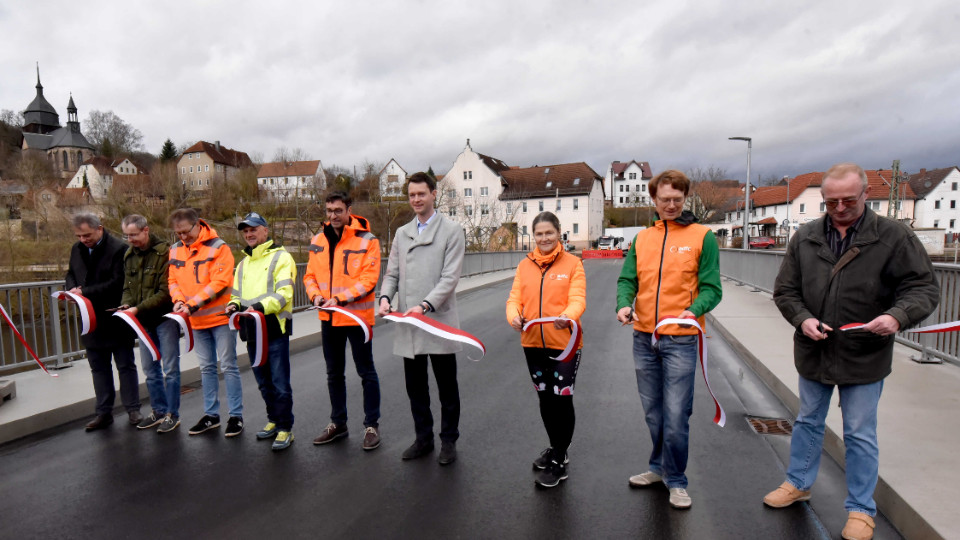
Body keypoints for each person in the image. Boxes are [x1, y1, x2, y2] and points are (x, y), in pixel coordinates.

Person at [763, 163, 939, 540]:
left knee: (859, 432)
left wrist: (897, 316)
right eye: (831, 201)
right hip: (814, 350)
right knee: (808, 421)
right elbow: (786, 291)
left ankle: (860, 509)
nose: (839, 208)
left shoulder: (893, 237)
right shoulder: (807, 236)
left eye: (847, 200)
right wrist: (802, 319)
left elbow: (923, 288)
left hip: (865, 353)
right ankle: (798, 482)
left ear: (865, 195)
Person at [616, 169, 722, 509]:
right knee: (654, 413)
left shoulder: (702, 236)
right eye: (665, 200)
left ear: (685, 198)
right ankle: (659, 468)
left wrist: (695, 310)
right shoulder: (642, 239)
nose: (671, 205)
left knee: (677, 414)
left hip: (681, 338)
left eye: (677, 199)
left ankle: (677, 480)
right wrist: (623, 305)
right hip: (644, 337)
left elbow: (712, 288)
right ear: (654, 200)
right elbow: (626, 280)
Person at [379, 171, 465, 465]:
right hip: (409, 322)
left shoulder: (452, 231)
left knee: (446, 387)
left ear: (433, 194)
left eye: (421, 194)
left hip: (436, 319)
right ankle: (423, 438)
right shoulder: (402, 233)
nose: (416, 199)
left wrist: (425, 305)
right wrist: (385, 297)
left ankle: (449, 441)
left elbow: (450, 278)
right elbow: (392, 274)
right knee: (415, 387)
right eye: (412, 195)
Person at [506, 211, 586, 488]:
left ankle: (560, 459)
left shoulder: (573, 264)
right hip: (532, 344)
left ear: (558, 232)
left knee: (561, 401)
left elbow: (578, 299)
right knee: (545, 399)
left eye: (549, 233)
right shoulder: (524, 266)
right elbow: (514, 299)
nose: (544, 238)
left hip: (564, 344)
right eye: (539, 234)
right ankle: (555, 447)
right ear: (534, 236)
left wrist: (568, 316)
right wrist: (514, 316)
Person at [304, 192, 382, 451]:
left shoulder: (367, 240)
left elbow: (369, 280)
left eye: (338, 210)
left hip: (357, 317)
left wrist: (339, 298)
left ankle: (372, 425)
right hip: (328, 317)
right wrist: (315, 295)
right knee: (333, 373)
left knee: (365, 372)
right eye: (329, 210)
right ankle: (338, 423)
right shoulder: (318, 240)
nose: (333, 215)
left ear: (349, 210)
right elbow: (310, 276)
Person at [168, 208, 244, 437]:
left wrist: (192, 304)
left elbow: (220, 281)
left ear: (197, 224)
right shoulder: (175, 250)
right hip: (196, 320)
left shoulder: (219, 247)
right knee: (207, 368)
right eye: (178, 233)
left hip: (220, 318)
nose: (182, 237)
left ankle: (236, 416)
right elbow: (173, 280)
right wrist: (179, 300)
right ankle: (212, 415)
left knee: (229, 366)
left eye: (186, 232)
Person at [227, 212, 297, 451]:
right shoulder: (243, 263)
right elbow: (236, 294)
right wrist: (233, 305)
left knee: (279, 382)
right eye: (245, 231)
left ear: (265, 231)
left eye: (253, 229)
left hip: (274, 329)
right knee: (263, 382)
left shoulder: (281, 257)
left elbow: (284, 294)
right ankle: (274, 420)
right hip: (251, 330)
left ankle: (285, 427)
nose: (249, 234)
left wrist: (258, 307)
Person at [66, 213, 142, 431]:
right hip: (90, 320)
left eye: (87, 235)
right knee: (98, 368)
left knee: (125, 365)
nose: (83, 239)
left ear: (100, 228)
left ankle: (133, 409)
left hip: (115, 318)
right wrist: (72, 289)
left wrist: (85, 292)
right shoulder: (76, 249)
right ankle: (103, 413)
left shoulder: (118, 249)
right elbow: (71, 273)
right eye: (79, 236)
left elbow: (118, 282)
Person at [119, 214, 181, 433]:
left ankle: (173, 414)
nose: (131, 239)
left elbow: (166, 292)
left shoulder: (165, 252)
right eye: (127, 236)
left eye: (134, 235)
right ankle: (158, 411)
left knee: (170, 369)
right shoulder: (129, 255)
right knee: (150, 370)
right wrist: (127, 304)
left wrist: (139, 307)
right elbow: (127, 287)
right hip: (143, 321)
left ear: (146, 230)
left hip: (164, 319)